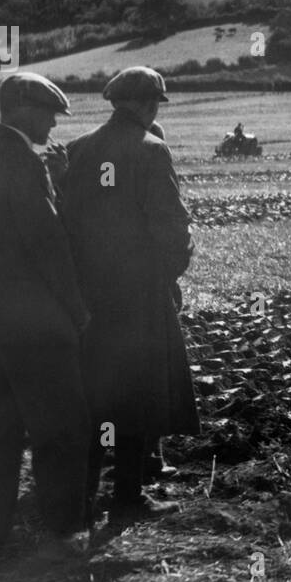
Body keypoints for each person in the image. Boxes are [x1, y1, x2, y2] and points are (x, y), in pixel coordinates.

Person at [0, 72, 92, 559]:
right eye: (48, 113)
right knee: (60, 427)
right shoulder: (20, 160)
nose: (54, 123)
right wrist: (76, 310)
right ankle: (64, 531)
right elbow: (45, 241)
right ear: (20, 109)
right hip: (35, 323)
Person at [62, 67, 199, 522]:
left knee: (95, 395)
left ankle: (78, 503)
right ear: (147, 105)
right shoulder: (151, 150)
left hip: (88, 298)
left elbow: (64, 225)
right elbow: (173, 231)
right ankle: (127, 498)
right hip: (138, 297)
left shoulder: (77, 150)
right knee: (139, 395)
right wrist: (161, 277)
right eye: (156, 102)